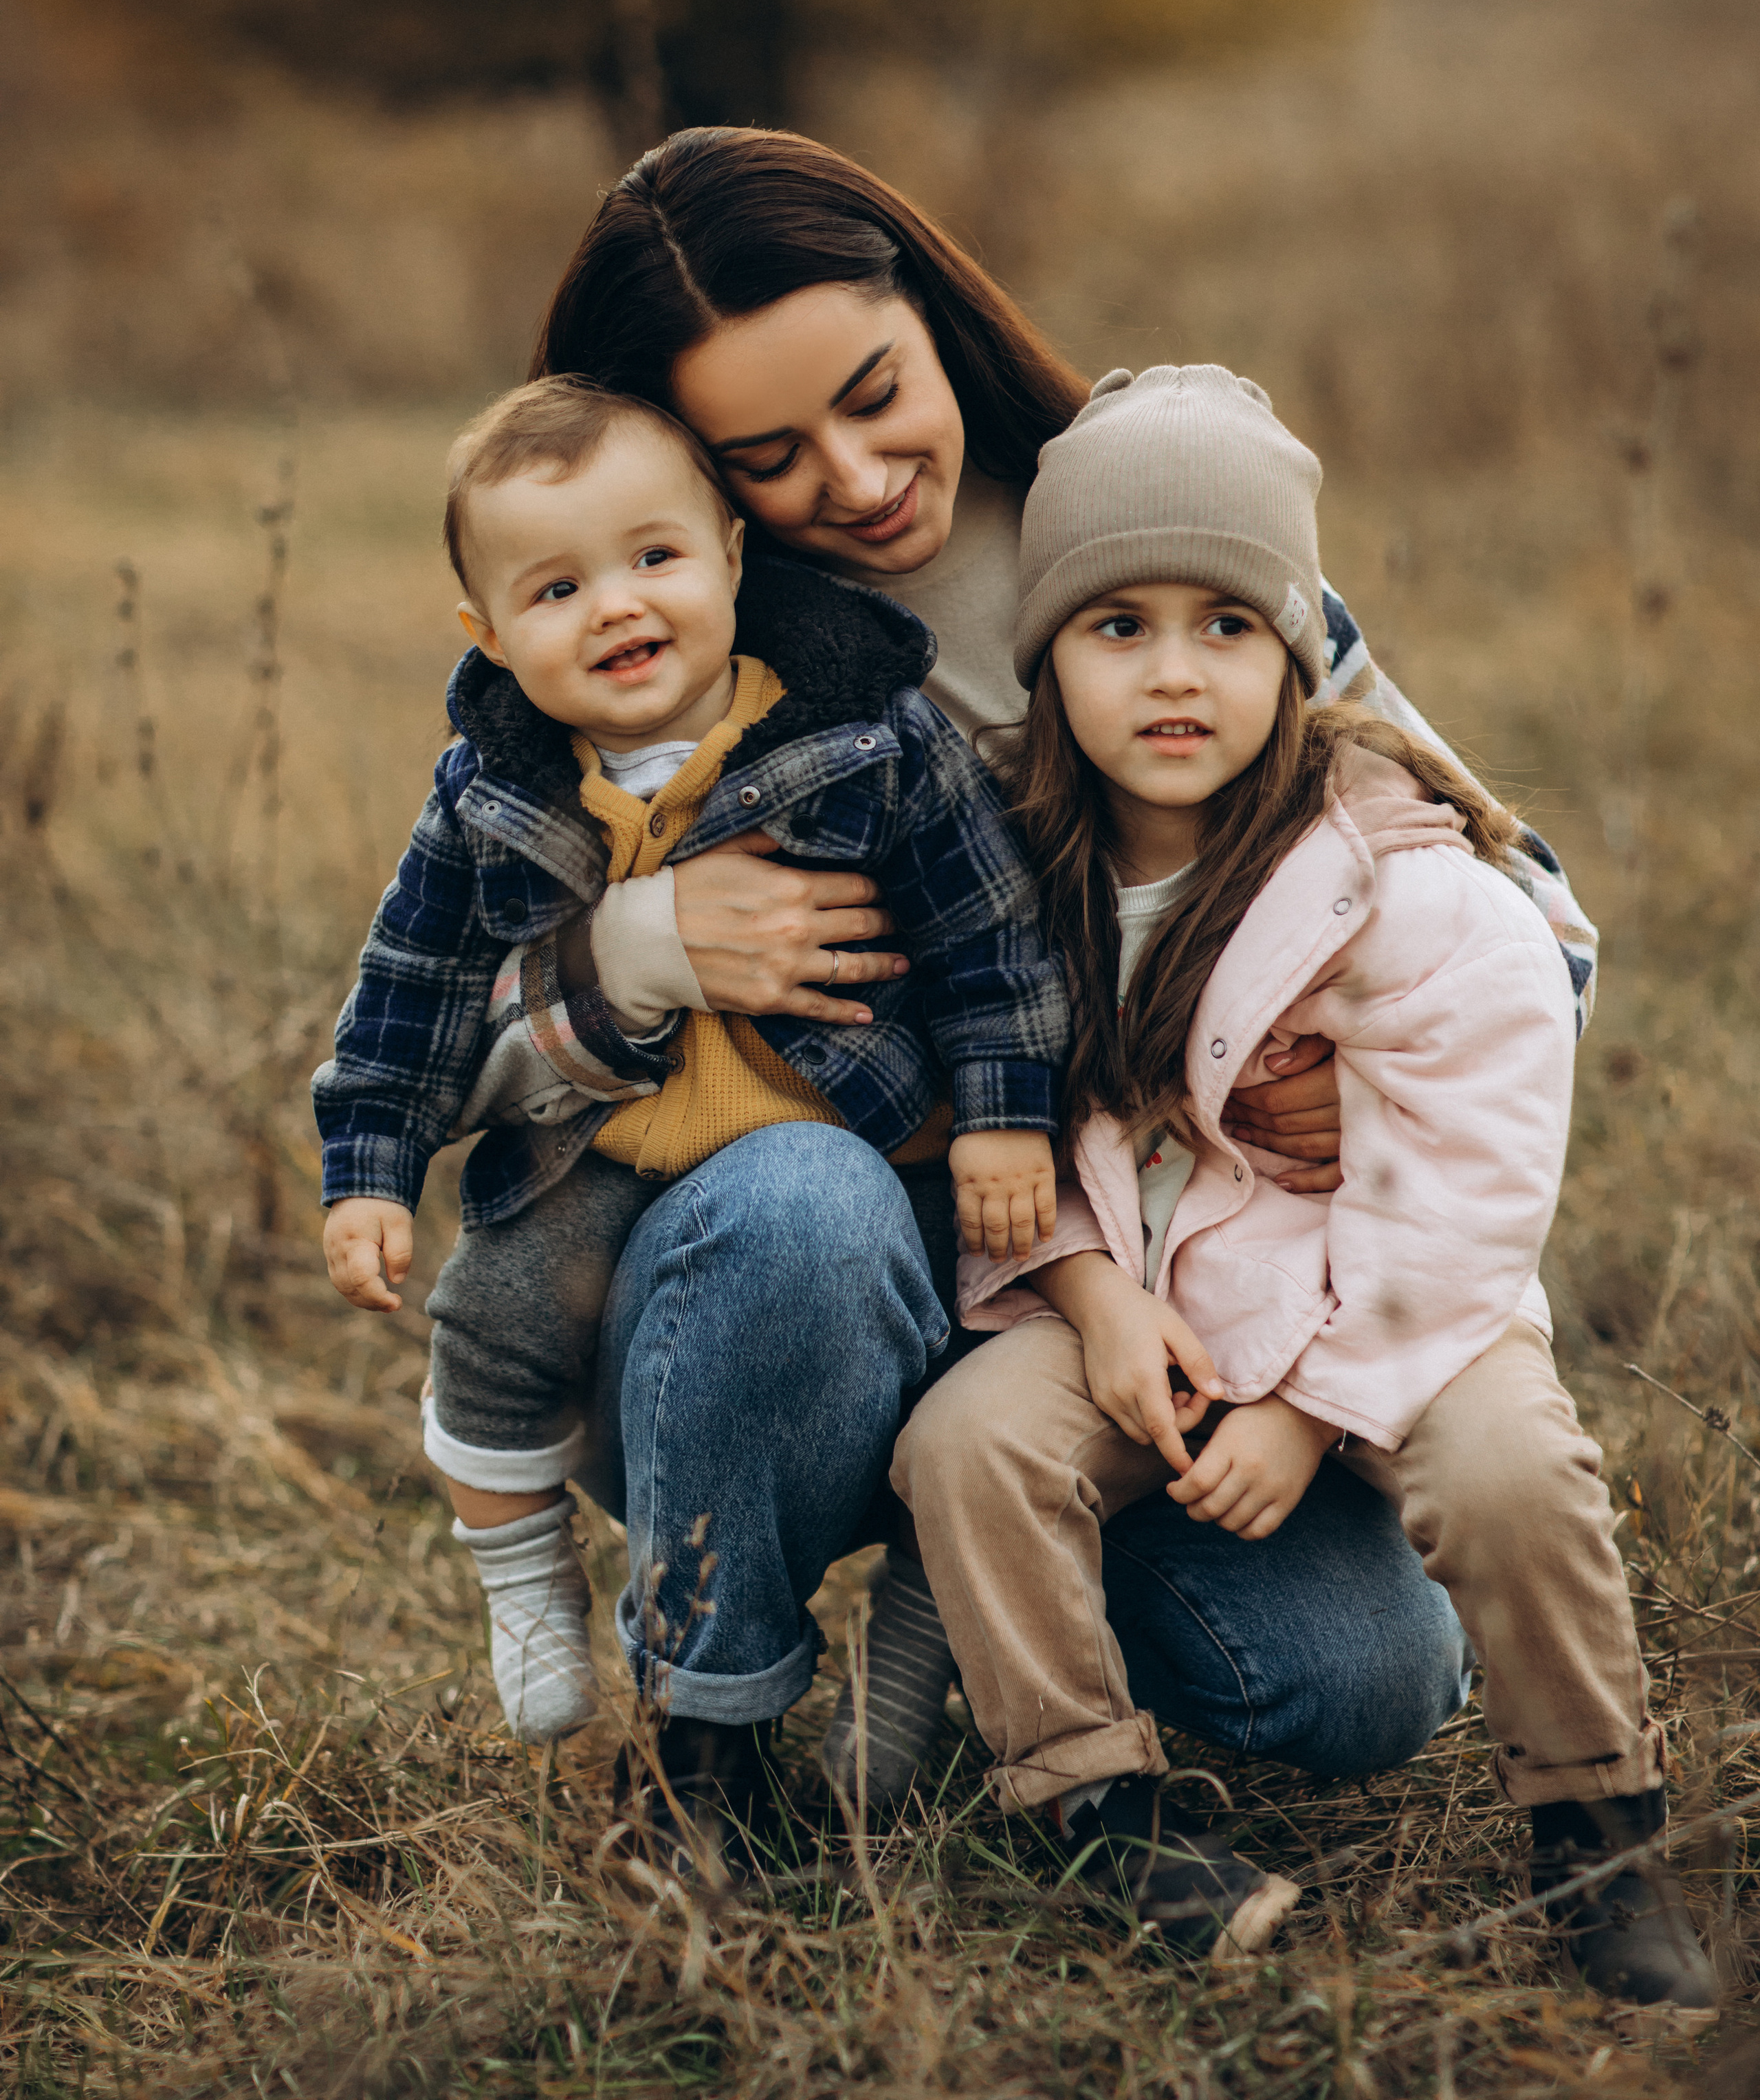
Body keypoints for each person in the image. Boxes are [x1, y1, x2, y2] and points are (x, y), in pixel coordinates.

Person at [465, 126, 1594, 1843]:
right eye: (762, 456)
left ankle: (986, 1605)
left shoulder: (1163, 541)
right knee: (801, 1202)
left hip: (1157, 1271)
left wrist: (1335, 1082)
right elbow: (443, 1045)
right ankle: (712, 1743)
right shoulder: (648, 639)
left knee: (1359, 1682)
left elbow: (1535, 926)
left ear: (930, 309)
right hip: (792, 1293)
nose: (849, 478)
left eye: (872, 393)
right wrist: (640, 946)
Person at [893, 362, 1715, 2021]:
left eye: (1226, 625)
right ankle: (1091, 1806)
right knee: (969, 1444)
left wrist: (1311, 1406)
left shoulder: (1391, 876)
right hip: (1153, 1294)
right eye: (1115, 626)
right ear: (1044, 650)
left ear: (1293, 647)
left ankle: (1597, 1828)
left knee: (1504, 1471)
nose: (1172, 673)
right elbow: (1016, 1112)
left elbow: (1468, 1181)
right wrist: (1091, 1291)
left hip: (1385, 1297)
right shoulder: (1019, 867)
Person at [313, 376, 1068, 1758]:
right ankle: (529, 1580)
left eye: (653, 558)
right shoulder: (489, 792)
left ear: (731, 554)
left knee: (975, 1377)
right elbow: (405, 994)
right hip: (600, 1169)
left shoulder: (863, 736)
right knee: (487, 1324)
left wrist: (1004, 1123)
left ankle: (913, 1661)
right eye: (554, 591)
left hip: (871, 1164)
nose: (615, 606)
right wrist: (366, 1170)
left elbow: (990, 941)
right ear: (486, 633)